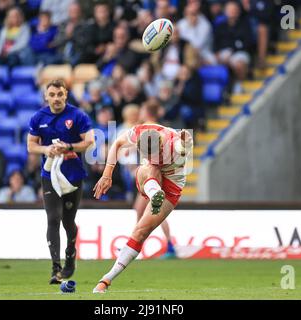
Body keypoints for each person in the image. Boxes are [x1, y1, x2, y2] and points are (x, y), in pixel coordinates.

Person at [92, 121, 193, 293]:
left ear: (161, 146)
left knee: (140, 232)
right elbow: (117, 143)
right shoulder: (140, 132)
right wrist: (107, 174)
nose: (150, 155)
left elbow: (182, 148)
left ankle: (106, 279)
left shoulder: (175, 143)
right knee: (150, 167)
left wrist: (185, 142)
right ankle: (155, 195)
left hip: (171, 187)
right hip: (151, 180)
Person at [27, 79, 95, 284]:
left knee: (67, 221)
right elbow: (31, 146)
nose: (56, 98)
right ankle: (55, 268)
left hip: (73, 176)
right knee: (53, 218)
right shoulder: (38, 118)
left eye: (60, 94)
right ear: (46, 97)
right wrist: (46, 149)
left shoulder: (78, 116)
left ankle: (70, 256)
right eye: (52, 95)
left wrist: (69, 147)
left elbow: (90, 141)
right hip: (50, 176)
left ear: (66, 95)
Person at [133, 100, 177, 259]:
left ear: (147, 111)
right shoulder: (155, 126)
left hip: (152, 175)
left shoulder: (148, 126)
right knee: (143, 210)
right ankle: (138, 244)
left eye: (142, 109)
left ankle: (137, 246)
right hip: (154, 173)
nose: (140, 112)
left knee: (151, 211)